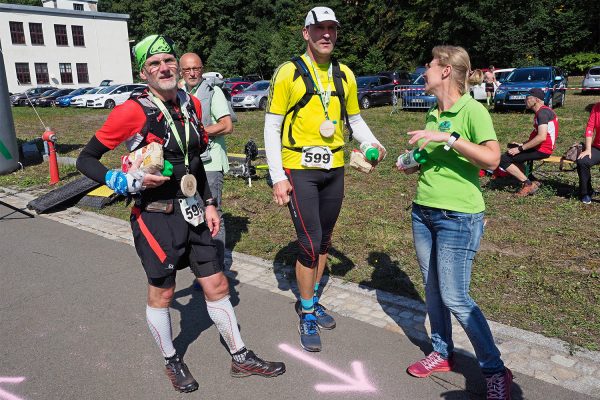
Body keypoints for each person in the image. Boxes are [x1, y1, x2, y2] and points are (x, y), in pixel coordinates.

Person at [76, 34, 284, 394]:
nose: (164, 68)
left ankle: (240, 356)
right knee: (164, 293)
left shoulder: (190, 104)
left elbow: (196, 163)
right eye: (154, 64)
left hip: (193, 211)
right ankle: (172, 360)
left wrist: (210, 203)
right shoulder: (132, 111)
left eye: (167, 60)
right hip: (155, 216)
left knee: (218, 284)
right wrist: (117, 179)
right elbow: (85, 159)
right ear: (144, 72)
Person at [264, 6, 386, 352]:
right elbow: (271, 126)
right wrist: (277, 177)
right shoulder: (288, 72)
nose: (326, 35)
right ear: (306, 34)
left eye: (332, 29)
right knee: (308, 241)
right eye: (319, 29)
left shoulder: (344, 74)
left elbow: (355, 120)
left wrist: (372, 143)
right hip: (299, 168)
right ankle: (306, 311)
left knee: (325, 241)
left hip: (334, 169)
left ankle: (313, 299)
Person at [398, 45, 512, 400]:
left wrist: (448, 138)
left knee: (456, 297)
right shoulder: (434, 113)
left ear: (446, 70)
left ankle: (496, 370)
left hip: (459, 217)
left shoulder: (472, 110)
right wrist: (410, 160)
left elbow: (493, 160)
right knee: (432, 290)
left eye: (430, 65)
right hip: (423, 211)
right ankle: (442, 352)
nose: (424, 70)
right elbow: (431, 159)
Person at [180, 52, 233, 271]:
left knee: (213, 214)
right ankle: (202, 267)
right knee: (192, 213)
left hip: (210, 163)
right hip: (188, 163)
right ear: (180, 72)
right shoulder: (179, 93)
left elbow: (227, 125)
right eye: (187, 69)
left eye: (197, 68)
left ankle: (216, 269)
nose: (193, 73)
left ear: (202, 69)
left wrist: (198, 132)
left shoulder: (214, 92)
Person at [498, 87, 558, 196]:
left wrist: (520, 149)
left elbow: (541, 137)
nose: (525, 100)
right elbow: (539, 136)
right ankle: (532, 180)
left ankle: (528, 183)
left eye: (528, 98)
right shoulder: (544, 111)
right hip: (541, 147)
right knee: (513, 155)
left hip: (542, 149)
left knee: (503, 159)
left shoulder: (542, 113)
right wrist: (523, 144)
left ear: (537, 100)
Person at [577, 101, 600, 204]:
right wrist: (588, 149)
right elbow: (590, 128)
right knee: (582, 161)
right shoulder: (596, 107)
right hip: (597, 148)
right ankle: (586, 192)